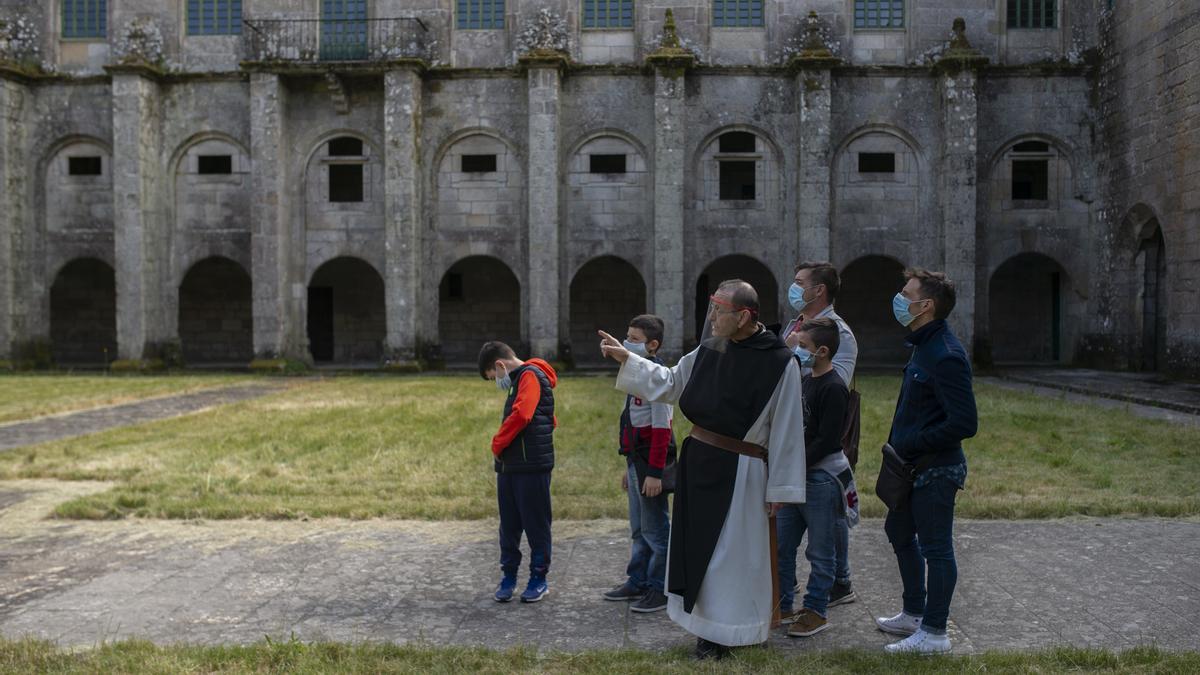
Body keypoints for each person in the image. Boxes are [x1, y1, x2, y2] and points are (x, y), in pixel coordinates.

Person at [598, 279, 807, 660]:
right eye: (712, 308)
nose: (711, 317)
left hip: (743, 473)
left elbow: (788, 429)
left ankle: (734, 632)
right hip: (699, 463)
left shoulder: (780, 363)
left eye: (719, 310)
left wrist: (780, 491)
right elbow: (672, 381)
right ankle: (706, 631)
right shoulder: (709, 348)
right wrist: (629, 360)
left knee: (733, 556)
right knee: (699, 552)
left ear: (743, 316)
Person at [876, 269, 977, 654]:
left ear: (926, 305)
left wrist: (915, 442)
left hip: (936, 469)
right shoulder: (922, 345)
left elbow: (965, 422)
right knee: (899, 532)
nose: (899, 298)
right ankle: (914, 614)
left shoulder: (946, 354)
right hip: (910, 467)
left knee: (937, 548)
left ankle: (935, 633)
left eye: (906, 293)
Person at [782, 261, 859, 608]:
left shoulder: (837, 333)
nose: (794, 288)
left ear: (819, 290)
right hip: (793, 432)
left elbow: (831, 387)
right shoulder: (796, 326)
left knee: (827, 516)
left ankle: (838, 582)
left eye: (800, 283)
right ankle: (793, 590)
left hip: (819, 439)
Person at [776, 318, 851, 638]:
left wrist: (794, 463)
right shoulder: (806, 380)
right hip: (797, 476)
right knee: (781, 545)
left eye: (803, 347)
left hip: (820, 479)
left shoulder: (834, 387)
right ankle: (783, 604)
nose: (798, 351)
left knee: (820, 551)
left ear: (822, 351)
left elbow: (828, 439)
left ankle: (816, 609)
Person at [602, 315, 675, 614]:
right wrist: (629, 466)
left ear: (652, 344)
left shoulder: (656, 377)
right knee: (638, 527)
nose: (628, 343)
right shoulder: (634, 376)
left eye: (634, 339)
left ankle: (661, 588)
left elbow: (661, 430)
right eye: (627, 337)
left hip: (650, 466)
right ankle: (638, 579)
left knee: (656, 529)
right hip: (636, 463)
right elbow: (633, 424)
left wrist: (654, 473)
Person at [478, 341, 559, 604]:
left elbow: (523, 414)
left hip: (531, 466)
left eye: (494, 377)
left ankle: (539, 577)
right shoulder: (517, 381)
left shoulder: (530, 376)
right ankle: (509, 576)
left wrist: (497, 443)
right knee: (509, 525)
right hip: (511, 465)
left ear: (500, 365)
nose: (496, 382)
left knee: (536, 524)